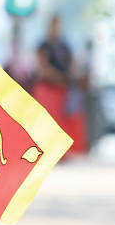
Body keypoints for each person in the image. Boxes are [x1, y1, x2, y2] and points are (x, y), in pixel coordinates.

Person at [32, 15, 88, 155]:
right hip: (47, 87)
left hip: (61, 88)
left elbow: (72, 65)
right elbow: (42, 67)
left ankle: (60, 151)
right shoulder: (43, 45)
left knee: (61, 121)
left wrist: (70, 78)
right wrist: (56, 76)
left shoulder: (64, 46)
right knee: (45, 121)